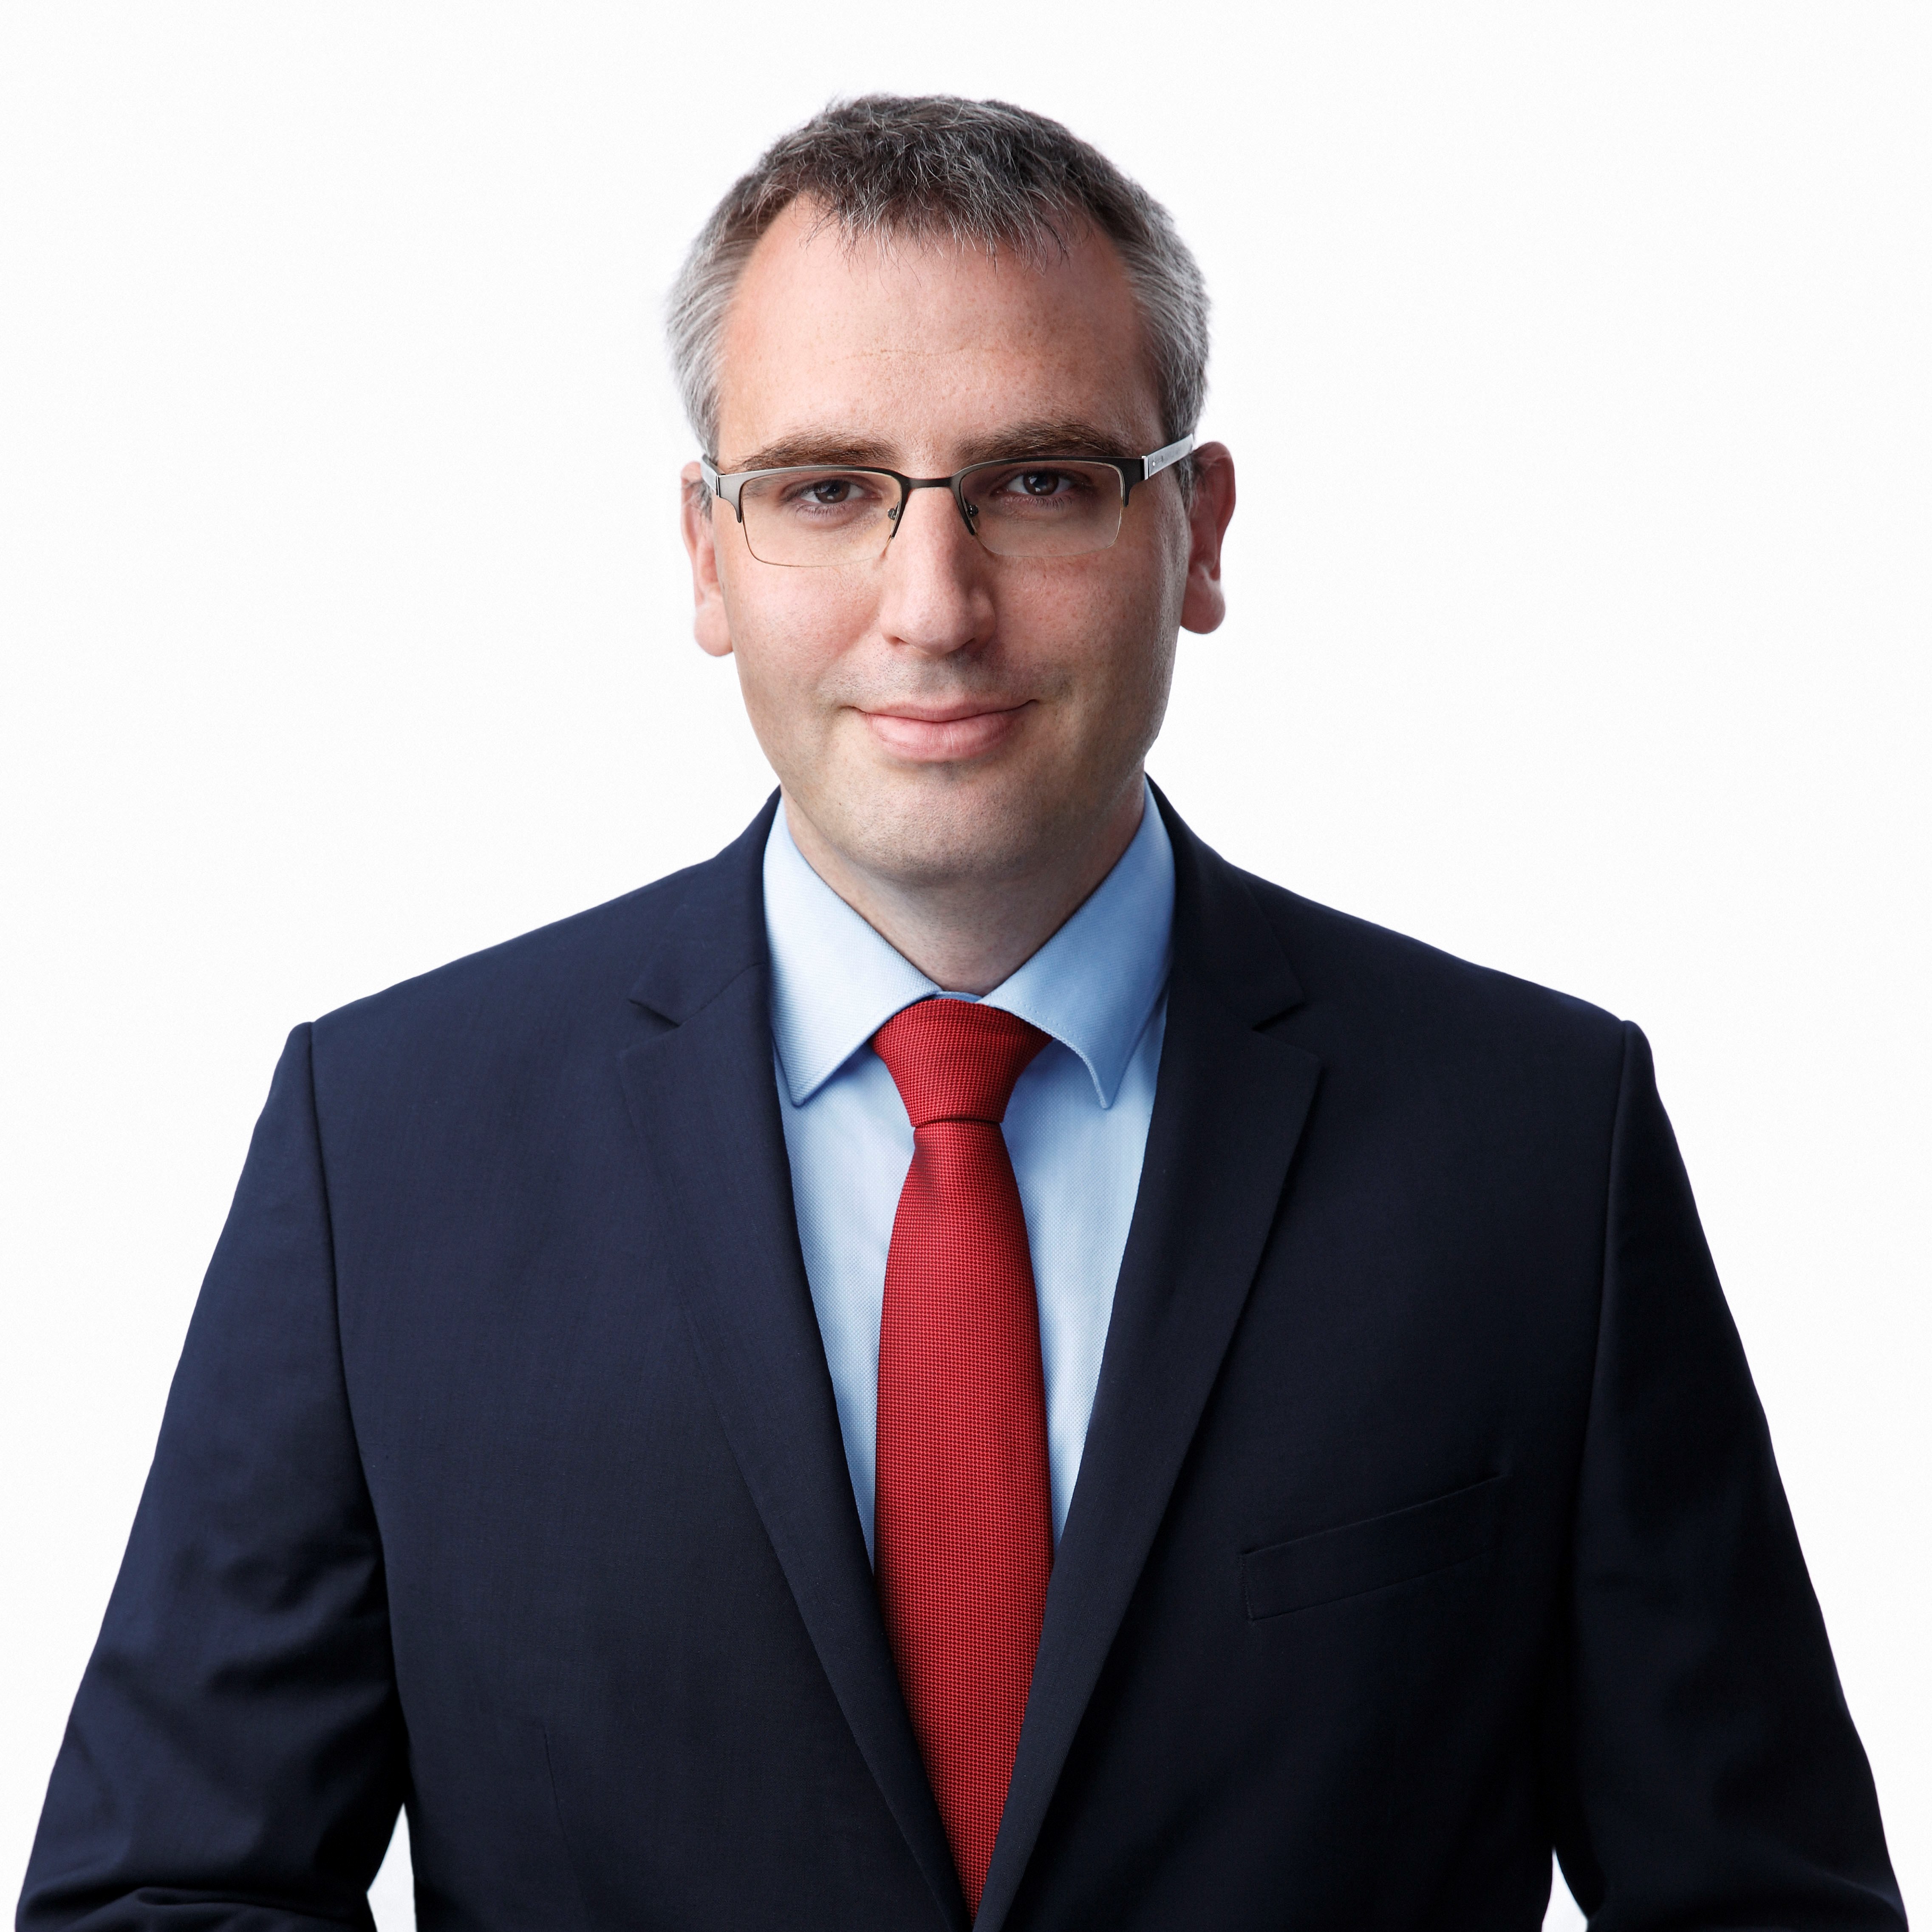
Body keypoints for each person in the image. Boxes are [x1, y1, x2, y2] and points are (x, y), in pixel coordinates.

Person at [20, 94, 1904, 1932]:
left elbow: (1757, 1900)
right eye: (826, 491)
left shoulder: (1536, 1143)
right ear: (707, 554)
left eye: (1040, 484)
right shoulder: (389, 1148)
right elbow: (166, 1889)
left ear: (1199, 534)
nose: (933, 606)